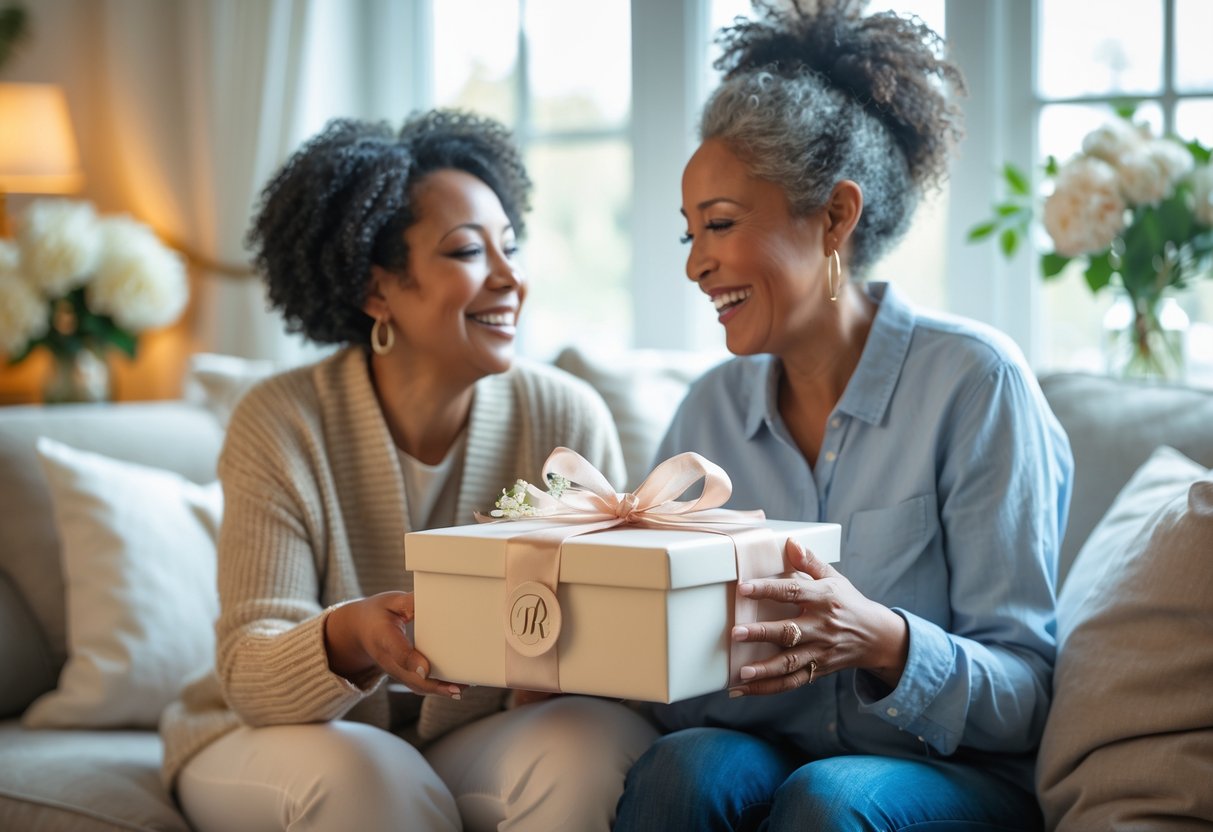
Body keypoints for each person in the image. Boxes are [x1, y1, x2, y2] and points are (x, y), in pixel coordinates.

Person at [613, 2, 1073, 830]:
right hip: (769, 750)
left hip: (946, 776)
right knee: (682, 770)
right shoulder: (705, 416)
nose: (695, 265)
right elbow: (670, 686)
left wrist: (883, 640)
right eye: (688, 235)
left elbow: (1026, 697)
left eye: (719, 225)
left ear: (833, 217)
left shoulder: (975, 383)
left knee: (829, 801)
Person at [159, 111, 656, 832]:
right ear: (376, 290)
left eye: (510, 247)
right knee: (370, 775)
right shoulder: (280, 421)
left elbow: (617, 635)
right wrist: (351, 636)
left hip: (469, 735)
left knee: (593, 745)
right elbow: (251, 673)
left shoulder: (564, 418)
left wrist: (562, 674)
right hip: (273, 735)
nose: (510, 277)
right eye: (468, 251)